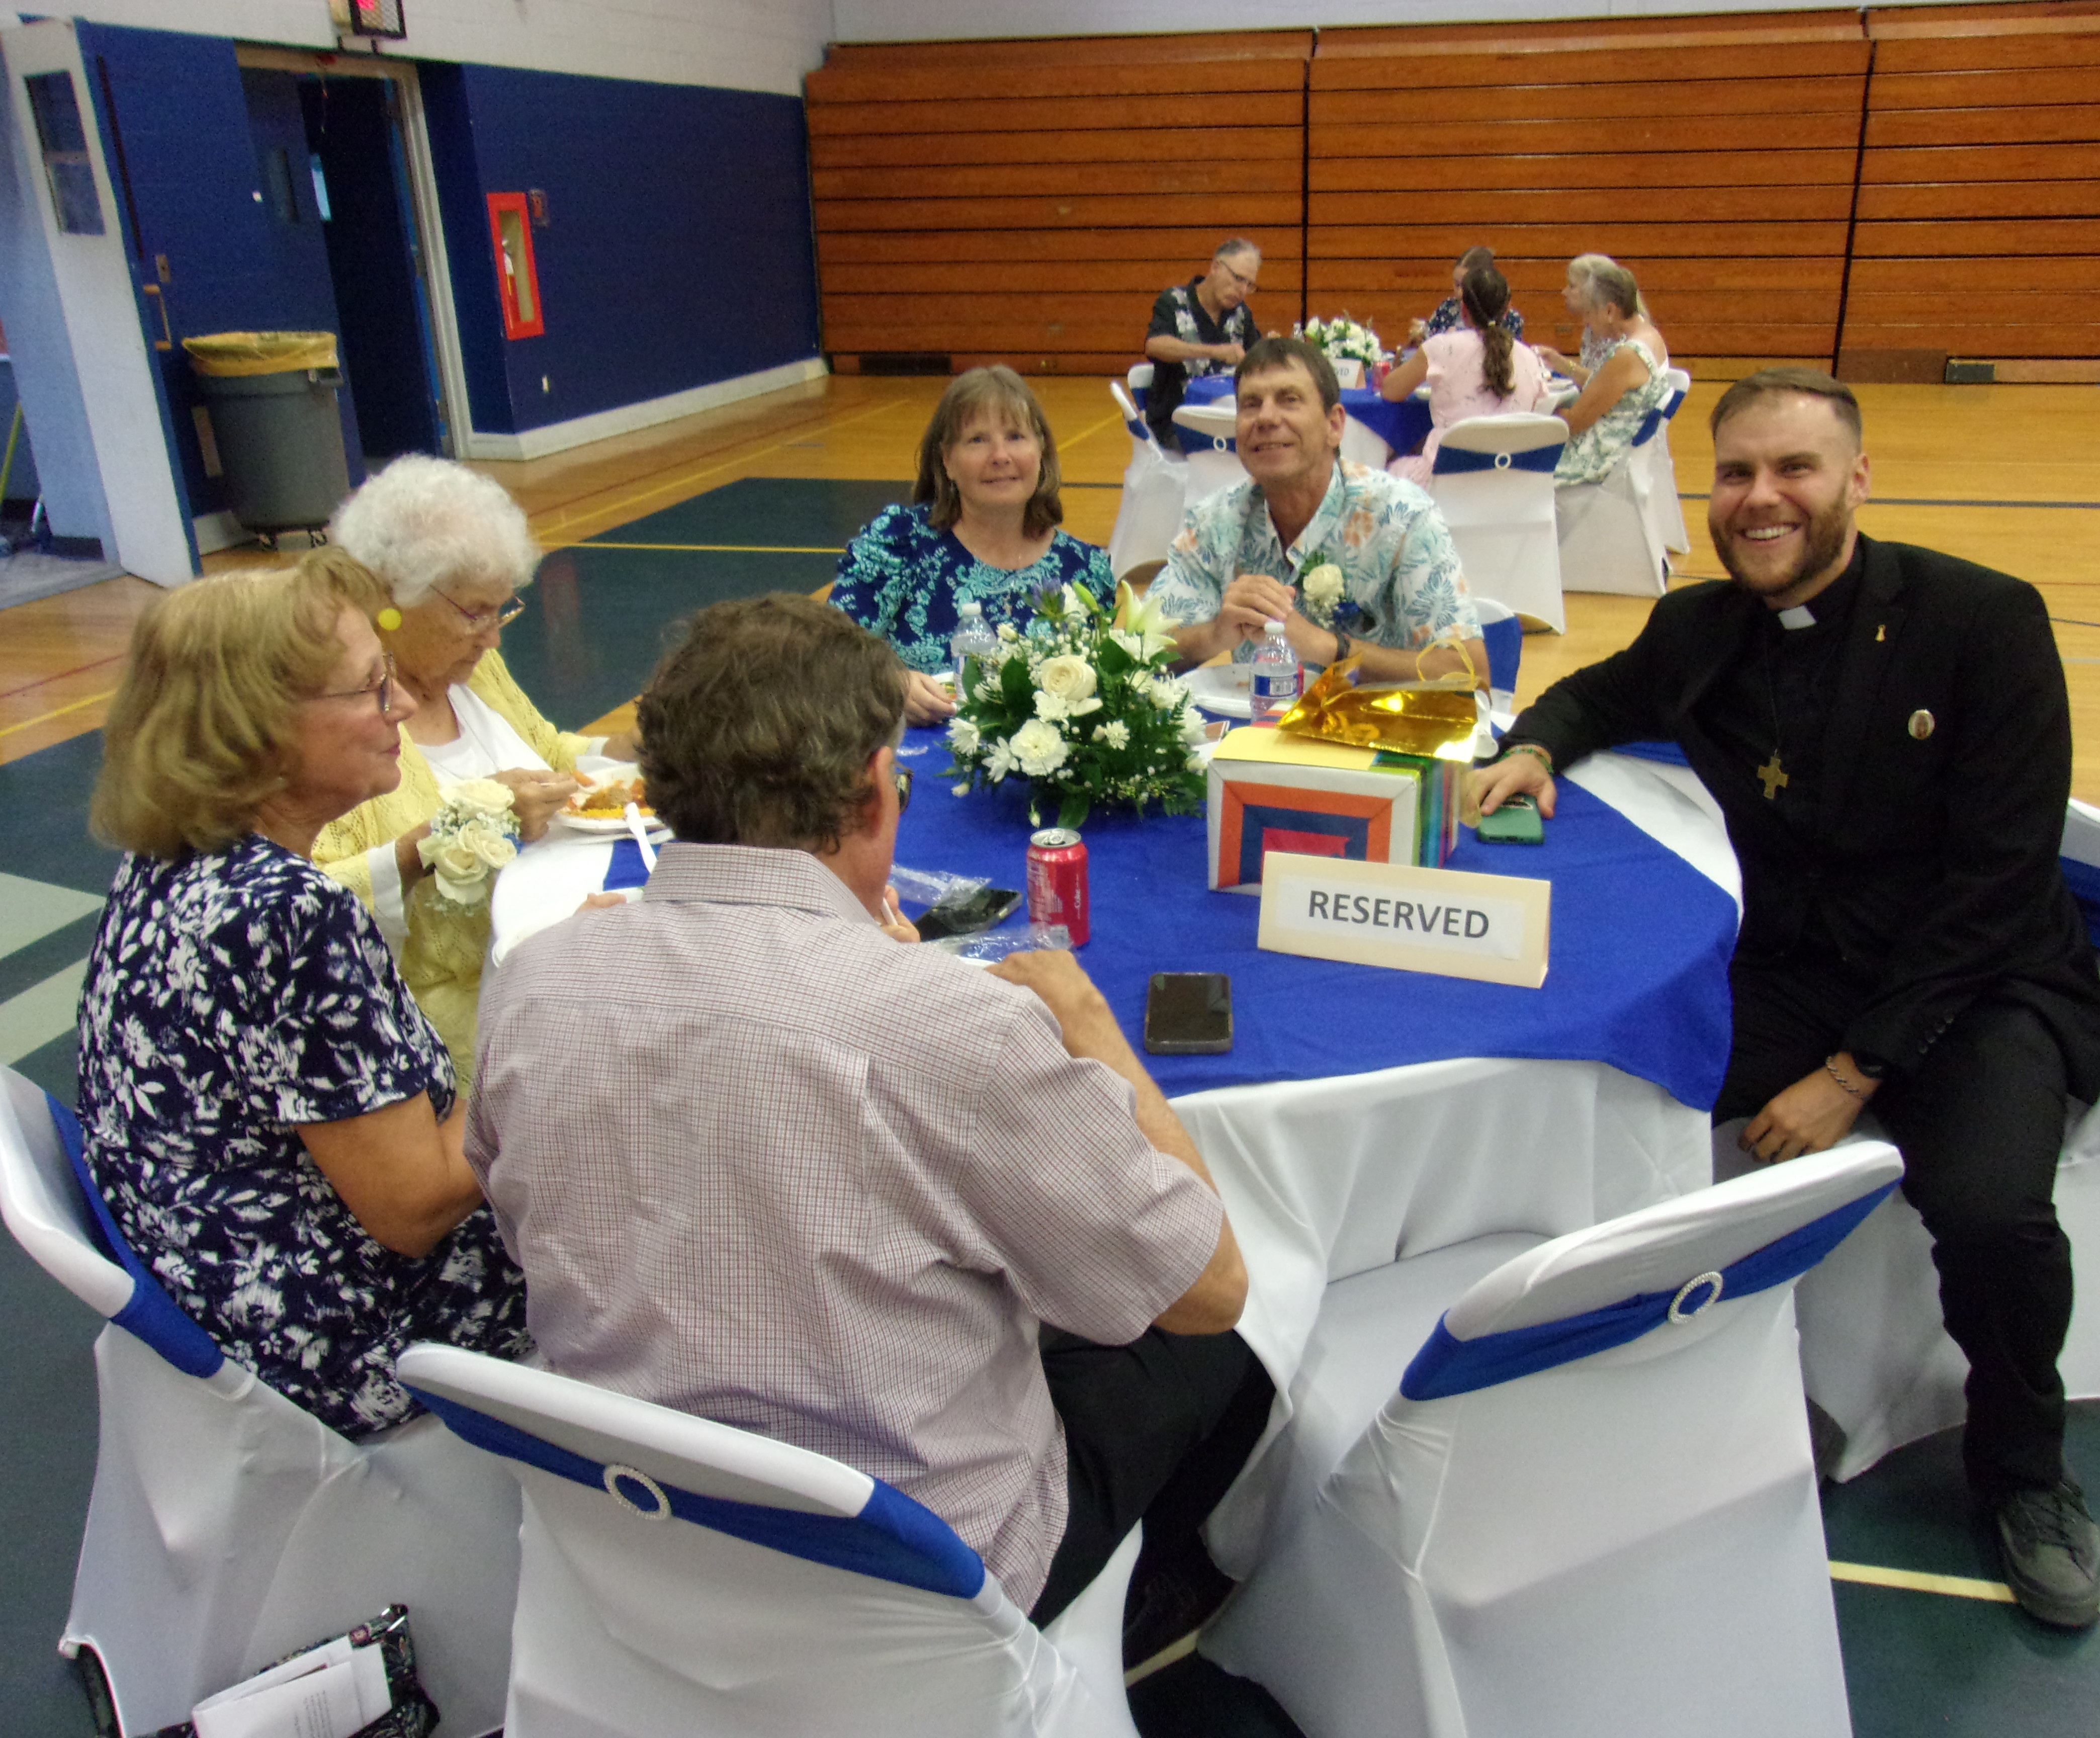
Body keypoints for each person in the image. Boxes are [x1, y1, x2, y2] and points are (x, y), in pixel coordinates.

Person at [468, 593, 1273, 1653]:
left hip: (640, 1537)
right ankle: (1151, 1624)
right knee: (1228, 1355)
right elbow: (1207, 1289)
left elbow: (510, 1196)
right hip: (920, 1584)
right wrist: (1083, 1022)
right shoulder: (952, 1026)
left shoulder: (536, 978)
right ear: (870, 794)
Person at [1468, 369, 2100, 1629]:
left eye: (1794, 470)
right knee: (1597, 1078)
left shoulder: (1983, 621)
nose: (1761, 499)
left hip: (1980, 980)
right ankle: (1621, 1382)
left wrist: (1851, 1072)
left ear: (1857, 480)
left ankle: (2024, 1470)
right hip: (1798, 967)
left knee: (1988, 1211)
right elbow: (1593, 691)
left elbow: (1998, 884)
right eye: (1738, 474)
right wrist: (1535, 745)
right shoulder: (1708, 624)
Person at [75, 553, 530, 1437]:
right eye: (369, 690)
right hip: (351, 1345)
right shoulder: (285, 916)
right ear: (259, 730)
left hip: (226, 1310)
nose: (399, 706)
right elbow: (415, 1206)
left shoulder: (171, 861)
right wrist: (556, 1029)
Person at [312, 456, 633, 1091]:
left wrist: (626, 746)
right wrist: (458, 829)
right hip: (464, 1030)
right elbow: (313, 899)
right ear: (390, 598)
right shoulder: (338, 722)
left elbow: (547, 750)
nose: (491, 637)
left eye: (500, 610)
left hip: (568, 950)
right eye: (473, 613)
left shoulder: (470, 668)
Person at [1153, 335, 1488, 684]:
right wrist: (1215, 636)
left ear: (1335, 426)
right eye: (1251, 404)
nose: (1265, 417)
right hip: (1256, 733)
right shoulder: (1217, 521)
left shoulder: (1401, 517)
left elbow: (1472, 675)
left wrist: (1330, 649)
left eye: (1290, 400)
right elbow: (1135, 654)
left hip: (1378, 729)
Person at [831, 365, 1115, 727]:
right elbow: (830, 653)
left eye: (1015, 437)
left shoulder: (1084, 569)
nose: (1000, 455)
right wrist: (891, 684)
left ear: (1041, 450)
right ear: (947, 460)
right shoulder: (900, 544)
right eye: (977, 440)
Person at [1378, 264, 1554, 489]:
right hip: (1511, 486)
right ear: (1508, 309)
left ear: (1463, 310)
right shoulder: (1529, 358)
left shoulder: (1443, 348)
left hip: (1447, 483)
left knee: (1387, 466)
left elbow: (1390, 390)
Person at [1541, 255, 1670, 488]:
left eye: (1589, 314)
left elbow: (1573, 424)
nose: (1588, 322)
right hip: (1626, 444)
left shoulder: (1627, 355)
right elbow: (1606, 386)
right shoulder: (1649, 336)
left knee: (1522, 455)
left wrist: (1541, 412)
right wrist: (1562, 365)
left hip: (1604, 456)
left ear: (1610, 311)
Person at [1144, 238, 1262, 452]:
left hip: (1230, 423)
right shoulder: (1174, 301)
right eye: (1238, 278)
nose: (1242, 290)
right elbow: (1155, 345)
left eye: (1249, 284)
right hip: (1178, 424)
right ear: (1216, 267)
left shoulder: (1241, 314)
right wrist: (1214, 352)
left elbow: (1257, 358)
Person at [1536, 252, 1653, 383]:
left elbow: (1605, 386)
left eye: (1572, 286)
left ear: (1593, 291)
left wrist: (1565, 366)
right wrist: (1558, 362)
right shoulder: (1592, 327)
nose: (1565, 292)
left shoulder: (1622, 336)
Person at [1405, 244, 1525, 346]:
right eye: (1456, 284)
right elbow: (1428, 348)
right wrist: (1420, 337)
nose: (1459, 292)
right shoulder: (1447, 308)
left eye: (1464, 286)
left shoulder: (1510, 318)